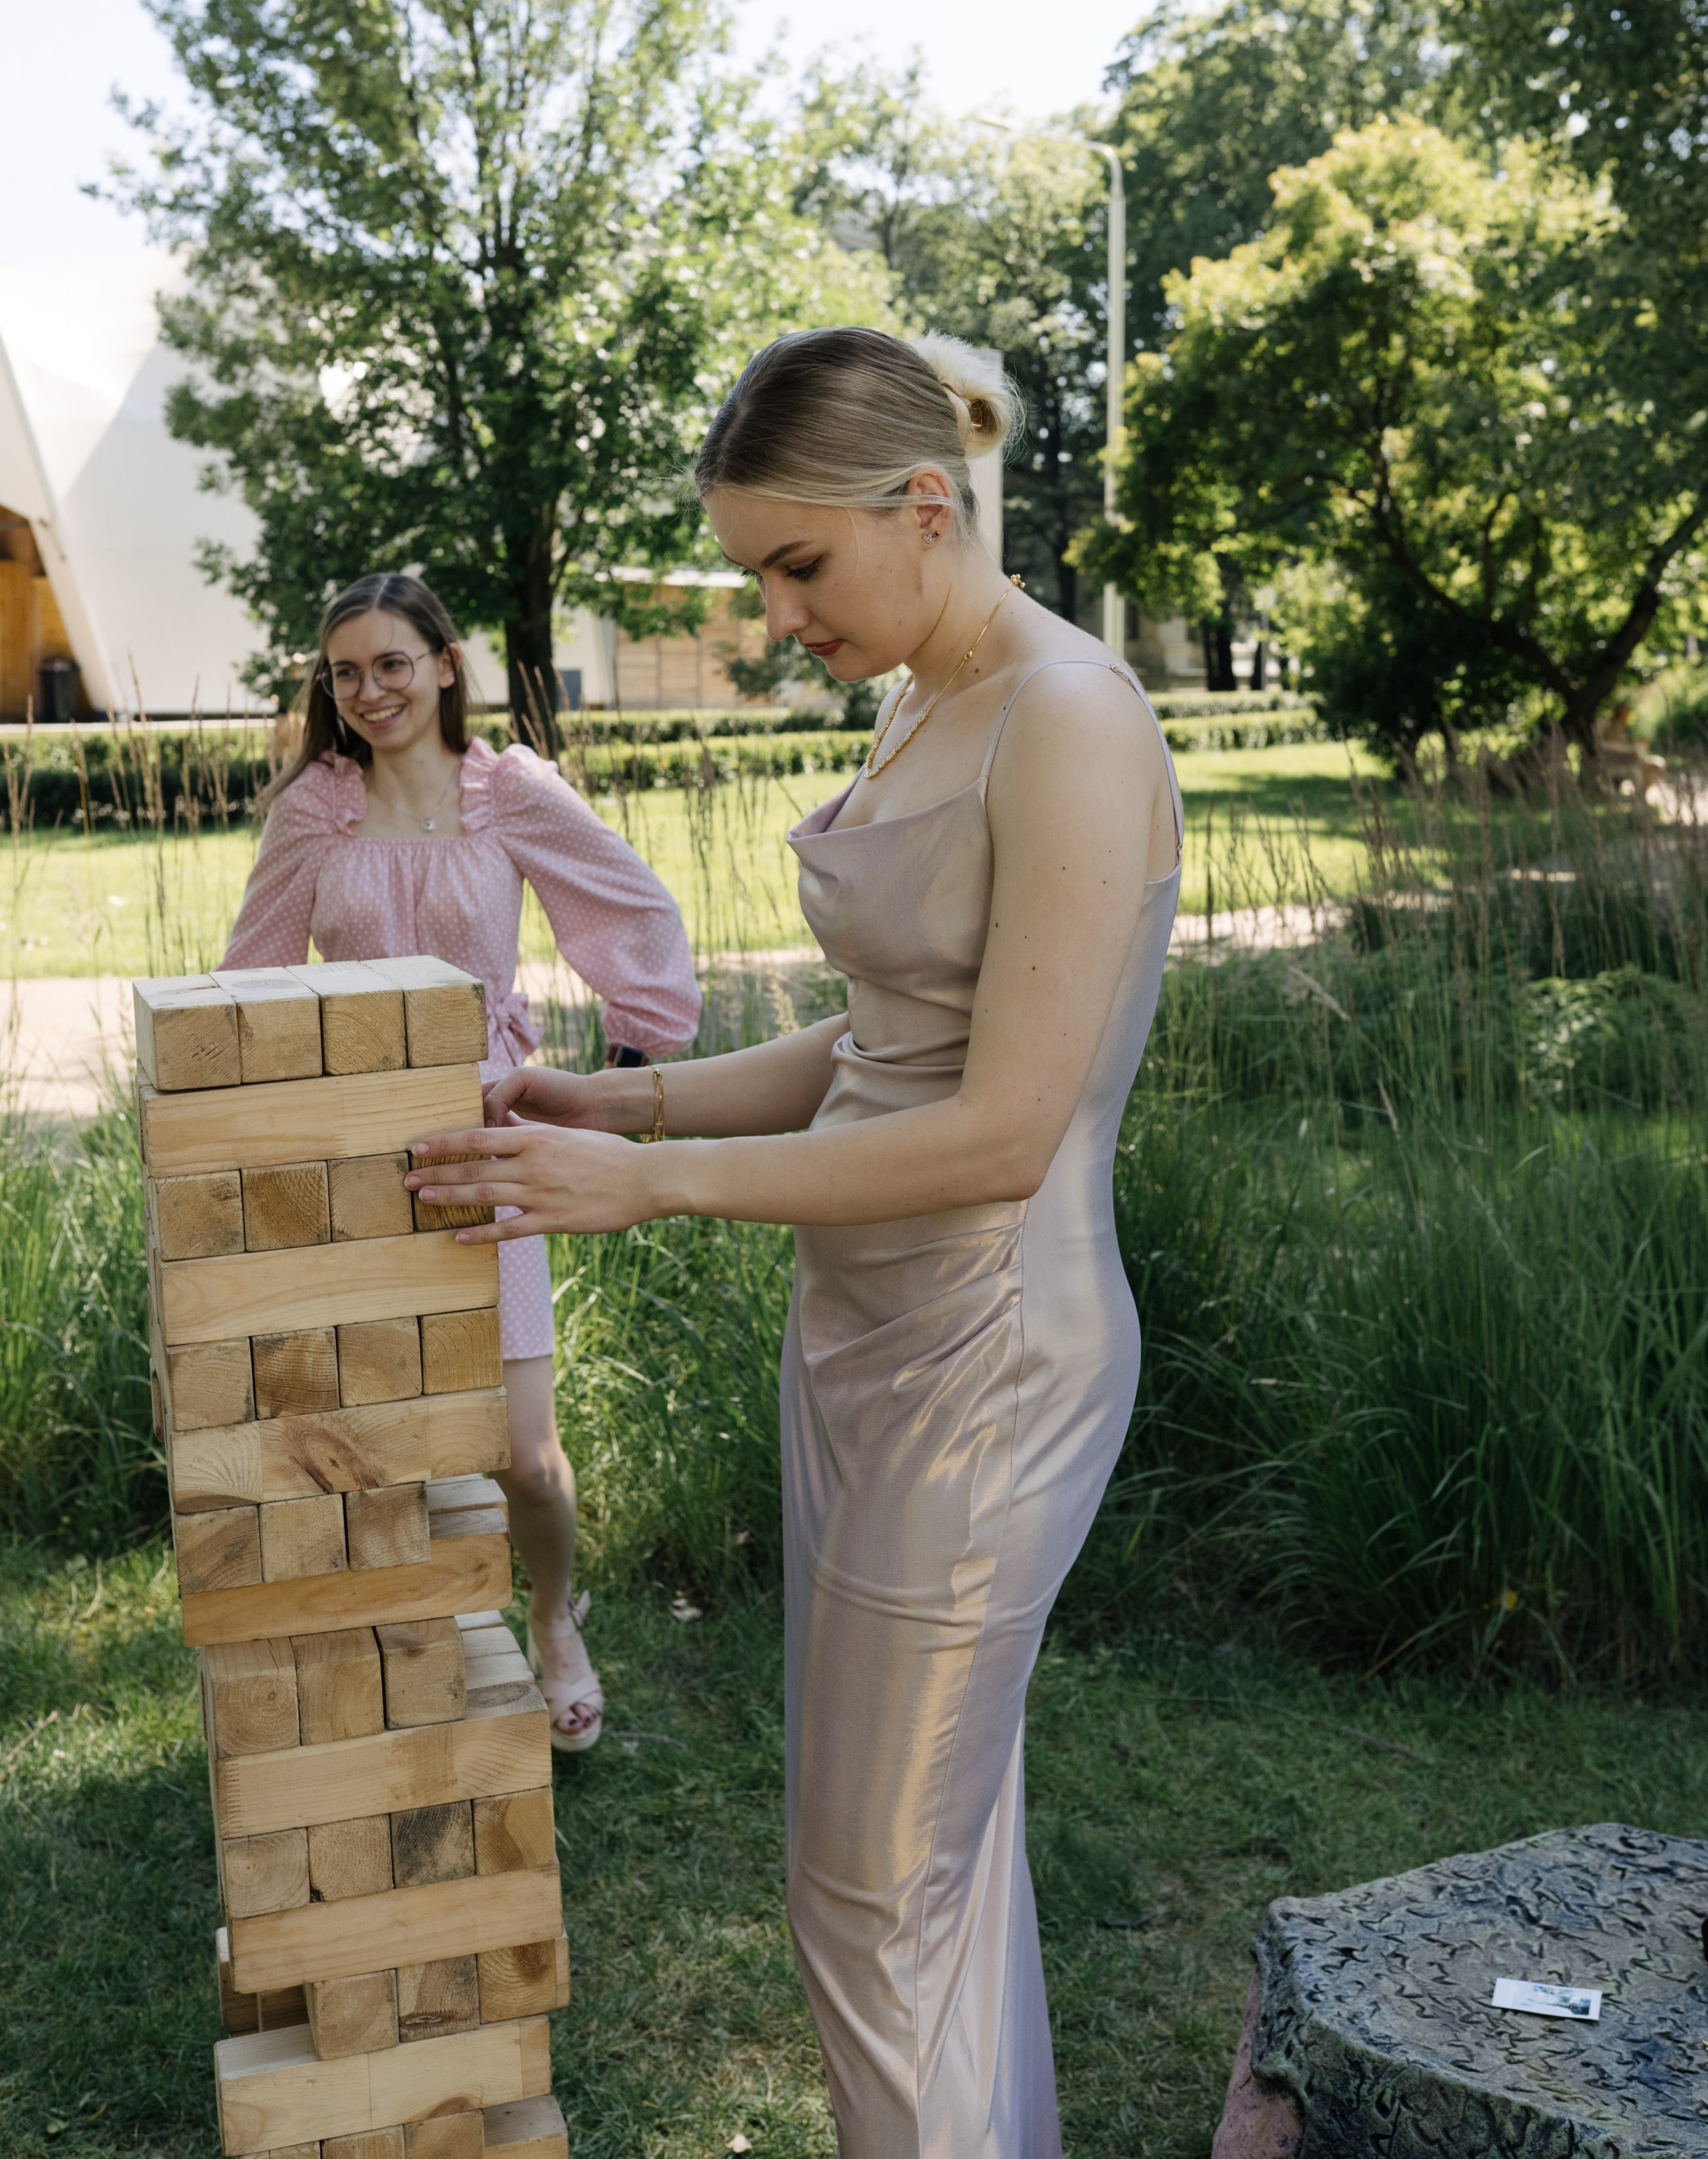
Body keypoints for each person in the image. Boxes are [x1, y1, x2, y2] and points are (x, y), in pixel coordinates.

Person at [407, 328, 1183, 2153]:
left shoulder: (1072, 718)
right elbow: (887, 1038)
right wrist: (628, 1105)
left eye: (798, 565)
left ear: (923, 505)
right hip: (863, 1338)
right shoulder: (924, 693)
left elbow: (1002, 1129)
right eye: (758, 574)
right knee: (928, 1866)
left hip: (992, 1358)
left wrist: (653, 1192)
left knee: (869, 1898)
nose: (775, 617)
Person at [221, 571, 701, 1750]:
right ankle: (409, 1655)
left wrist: (620, 1081)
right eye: (345, 672)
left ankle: (550, 1617)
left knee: (524, 1458)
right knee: (383, 1446)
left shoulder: (510, 792)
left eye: (391, 663)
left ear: (443, 665)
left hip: (489, 1145)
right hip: (353, 1151)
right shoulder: (316, 810)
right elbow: (250, 978)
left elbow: (636, 916)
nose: (369, 690)